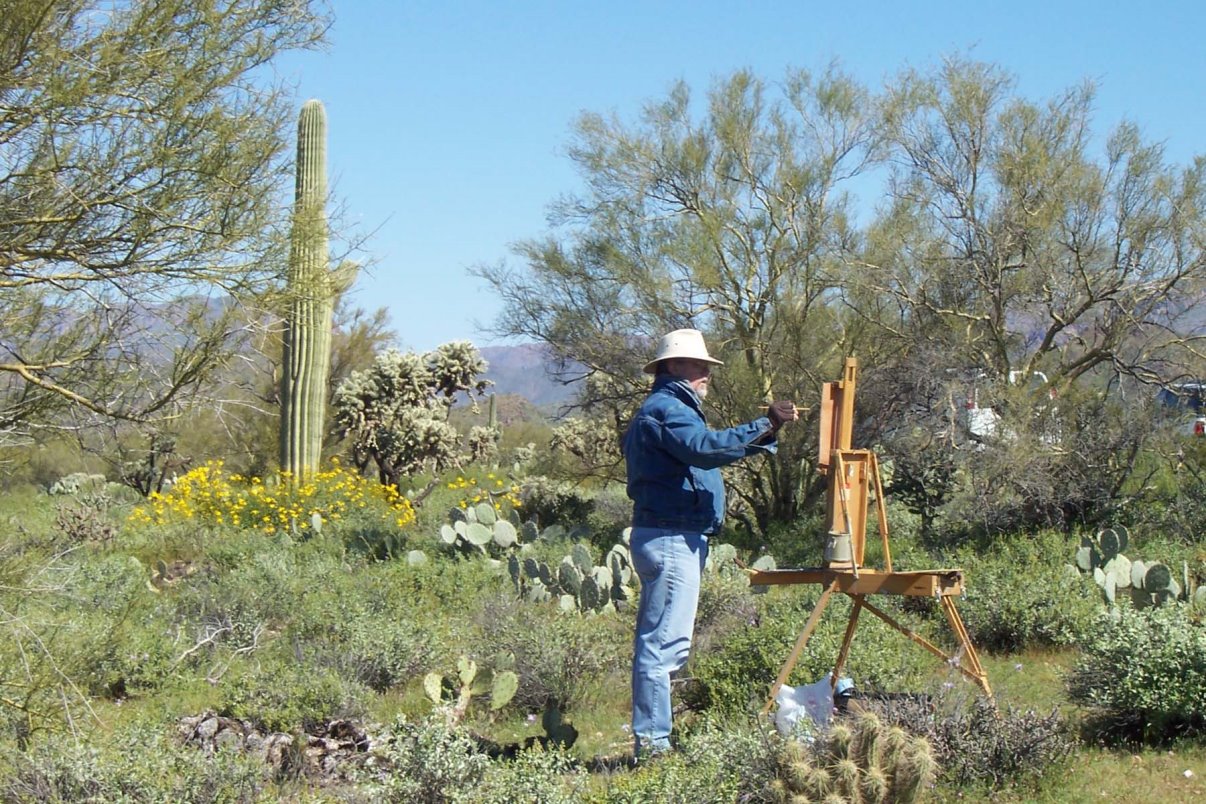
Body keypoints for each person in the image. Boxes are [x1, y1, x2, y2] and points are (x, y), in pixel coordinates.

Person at [622, 328, 798, 759]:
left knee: (662, 642)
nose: (707, 374)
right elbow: (704, 449)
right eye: (699, 365)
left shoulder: (666, 409)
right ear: (673, 366)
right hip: (671, 536)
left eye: (706, 366)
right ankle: (654, 747)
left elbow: (702, 450)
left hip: (669, 534)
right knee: (662, 646)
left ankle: (654, 741)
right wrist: (767, 424)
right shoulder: (668, 409)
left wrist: (764, 432)